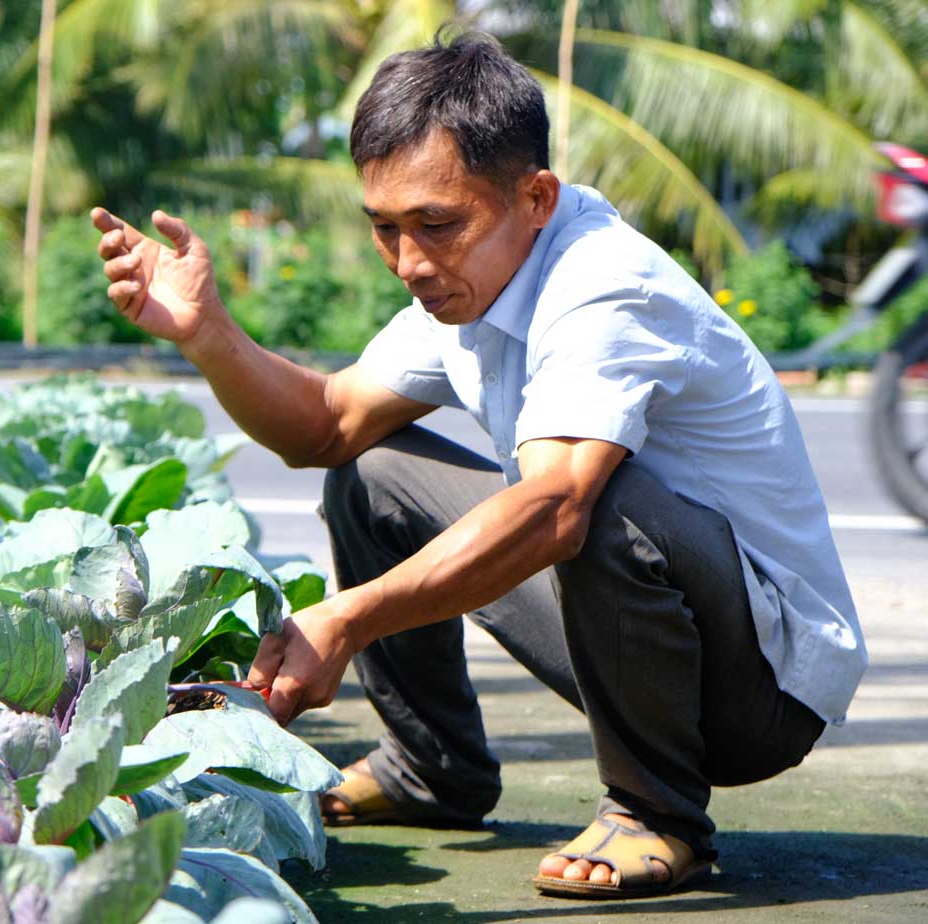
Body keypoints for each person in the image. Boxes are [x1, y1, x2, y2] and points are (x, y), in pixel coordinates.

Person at [90, 29, 867, 900]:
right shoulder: (469, 278)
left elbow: (556, 511)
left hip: (756, 689)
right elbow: (324, 428)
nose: (410, 262)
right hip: (639, 640)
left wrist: (345, 619)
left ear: (534, 197)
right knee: (373, 472)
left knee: (589, 500)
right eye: (384, 228)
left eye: (436, 225)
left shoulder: (603, 284)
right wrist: (209, 335)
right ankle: (433, 770)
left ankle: (658, 815)